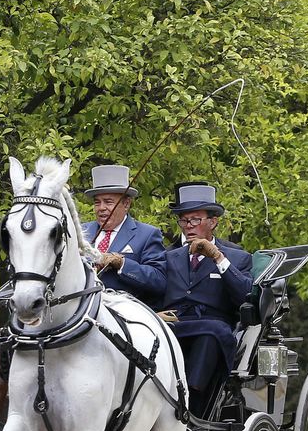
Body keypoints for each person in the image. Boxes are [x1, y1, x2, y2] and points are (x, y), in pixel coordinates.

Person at [157, 181, 254, 417]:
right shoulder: (168, 257)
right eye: (183, 221)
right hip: (173, 324)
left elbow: (245, 295)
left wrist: (217, 258)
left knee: (212, 333)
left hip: (212, 328)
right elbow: (153, 290)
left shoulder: (238, 258)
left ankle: (191, 405)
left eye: (195, 220)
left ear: (213, 221)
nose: (188, 227)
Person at [80, 163, 166, 306]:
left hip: (124, 315)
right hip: (83, 312)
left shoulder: (147, 234)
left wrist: (122, 264)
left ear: (126, 204)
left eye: (108, 202)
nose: (101, 208)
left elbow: (159, 281)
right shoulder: (82, 233)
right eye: (97, 203)